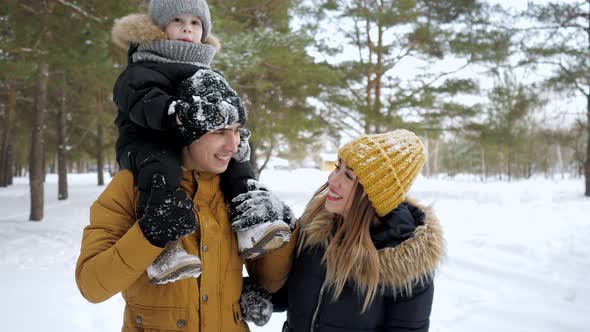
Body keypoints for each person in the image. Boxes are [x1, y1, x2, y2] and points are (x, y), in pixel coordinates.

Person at [75, 98, 297, 331]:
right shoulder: (132, 187)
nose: (233, 145)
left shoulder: (236, 189)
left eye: (237, 130)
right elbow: (92, 285)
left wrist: (282, 226)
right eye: (220, 131)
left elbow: (269, 282)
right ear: (186, 132)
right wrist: (148, 235)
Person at [110, 0, 292, 283]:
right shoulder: (142, 67)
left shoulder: (209, 73)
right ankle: (164, 247)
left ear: (204, 31)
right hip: (146, 141)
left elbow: (225, 113)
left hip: (190, 141)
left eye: (195, 23)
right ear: (158, 28)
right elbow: (144, 102)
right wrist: (179, 112)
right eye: (177, 20)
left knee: (238, 158)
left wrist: (229, 131)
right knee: (163, 167)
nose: (187, 27)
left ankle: (249, 221)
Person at [269, 129, 446, 332]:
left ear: (374, 195)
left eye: (348, 176)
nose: (332, 180)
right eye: (337, 167)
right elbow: (291, 292)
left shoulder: (407, 265)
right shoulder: (315, 228)